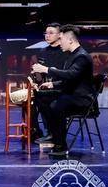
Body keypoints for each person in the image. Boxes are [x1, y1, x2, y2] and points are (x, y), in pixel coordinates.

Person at [32, 25, 94, 156]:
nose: (59, 43)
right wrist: (52, 84)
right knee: (41, 96)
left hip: (81, 98)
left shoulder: (82, 57)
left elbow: (71, 75)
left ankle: (60, 146)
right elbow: (70, 79)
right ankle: (52, 134)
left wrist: (46, 69)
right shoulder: (72, 55)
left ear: (70, 40)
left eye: (61, 39)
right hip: (71, 93)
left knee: (57, 105)